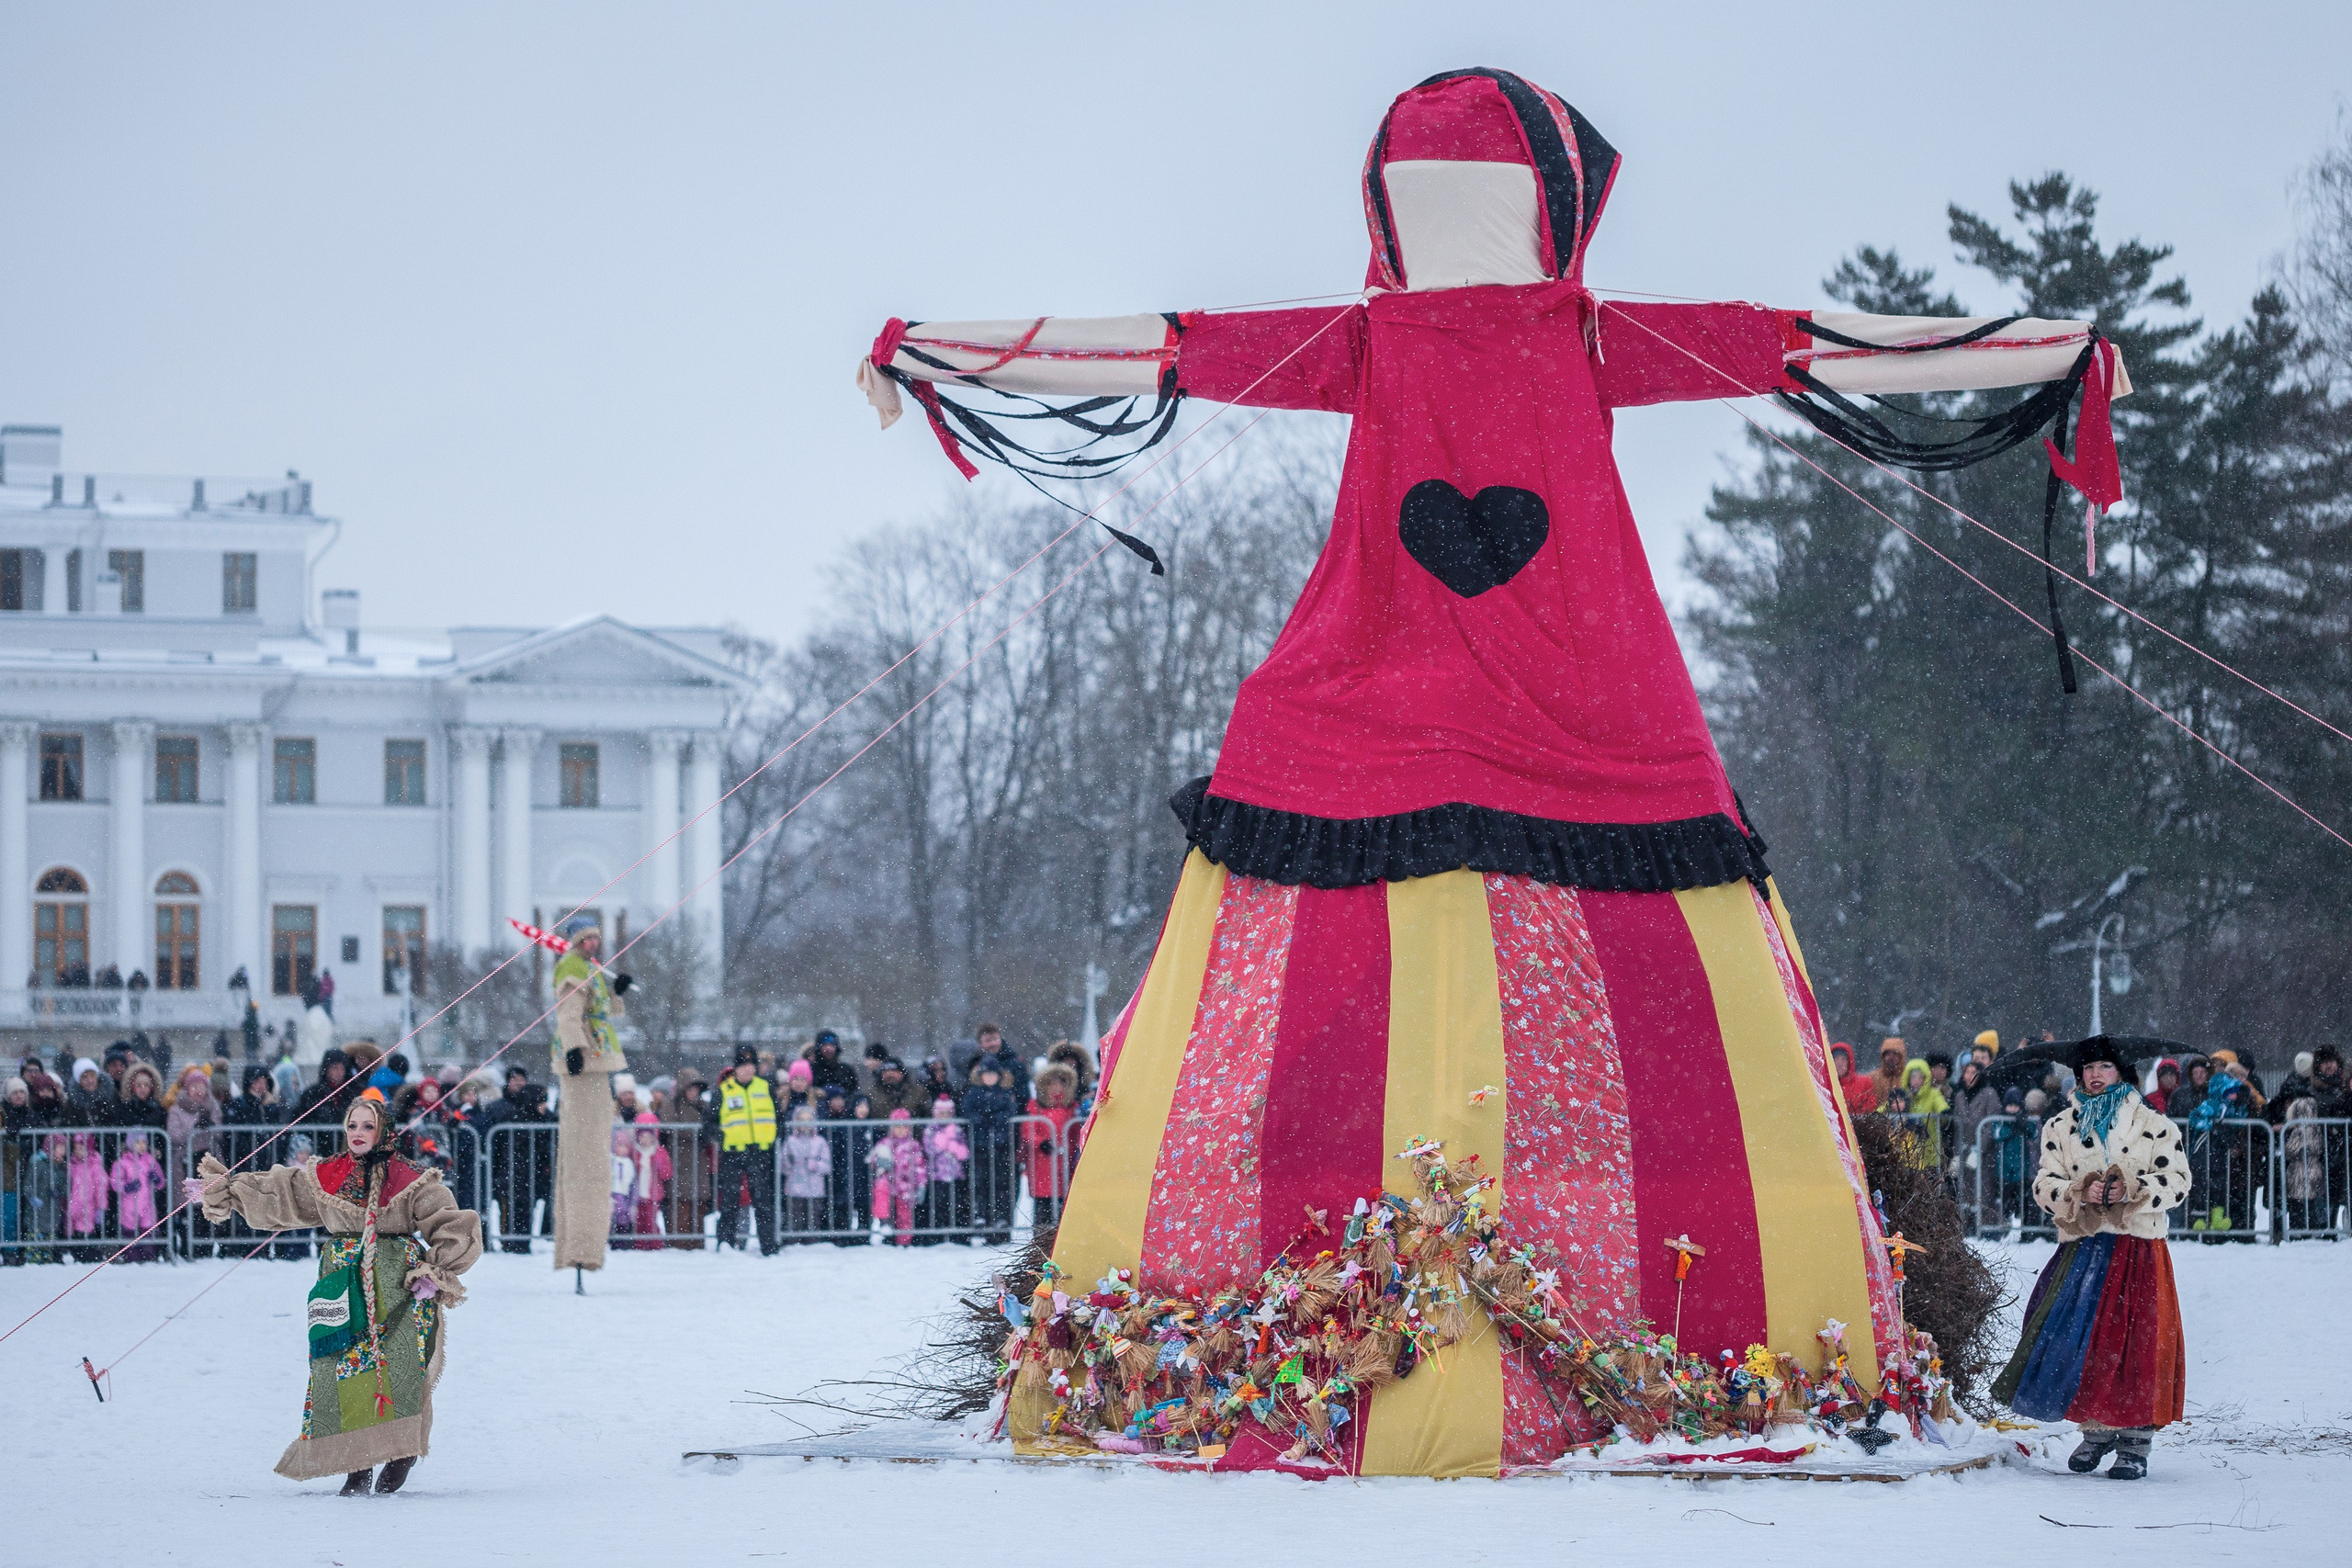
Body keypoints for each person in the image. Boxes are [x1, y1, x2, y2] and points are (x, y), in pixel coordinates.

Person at [185, 1095, 481, 1494]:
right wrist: (227, 1190)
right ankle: (355, 1464)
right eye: (352, 1126)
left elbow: (453, 1224)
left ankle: (400, 1451)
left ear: (384, 1131)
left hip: (396, 1285)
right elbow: (281, 1194)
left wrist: (435, 1271)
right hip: (341, 1283)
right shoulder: (327, 1174)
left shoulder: (412, 1179)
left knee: (398, 1368)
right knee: (342, 1368)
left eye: (367, 1126)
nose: (358, 1134)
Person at [1993, 1037, 2187, 1480]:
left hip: (2138, 1247)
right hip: (2084, 1247)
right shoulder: (2060, 1126)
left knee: (2137, 1344)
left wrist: (2134, 1190)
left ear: (2121, 1073)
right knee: (2079, 1343)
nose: (2095, 1075)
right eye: (2088, 1069)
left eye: (2104, 1066)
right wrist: (2077, 1192)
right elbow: (2044, 1185)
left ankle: (2135, 1441)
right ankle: (2096, 1430)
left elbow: (2177, 1180)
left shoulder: (2153, 1124)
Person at [549, 914, 631, 1277]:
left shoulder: (592, 968)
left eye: (596, 939)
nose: (592, 945)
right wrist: (574, 1048)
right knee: (584, 1154)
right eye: (586, 939)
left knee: (592, 1150)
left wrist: (619, 991)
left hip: (598, 1056)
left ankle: (587, 1246)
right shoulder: (572, 967)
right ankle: (579, 1245)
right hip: (586, 1058)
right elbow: (569, 1014)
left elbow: (603, 1009)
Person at [706, 1044, 779, 1255]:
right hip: (733, 1153)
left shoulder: (765, 1087)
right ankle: (726, 1243)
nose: (748, 1069)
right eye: (744, 1065)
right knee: (729, 1202)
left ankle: (768, 1245)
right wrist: (721, 1136)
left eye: (751, 1065)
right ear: (735, 1068)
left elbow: (778, 1117)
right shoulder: (724, 1090)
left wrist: (774, 1136)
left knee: (763, 1202)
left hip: (760, 1153)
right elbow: (710, 1121)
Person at [961, 1059, 1021, 1246]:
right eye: (986, 1075)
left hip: (1000, 1146)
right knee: (981, 1183)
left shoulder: (1004, 1094)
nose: (989, 1078)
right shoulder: (973, 1093)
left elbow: (1010, 1110)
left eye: (993, 1075)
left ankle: (1001, 1216)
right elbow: (966, 1109)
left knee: (1001, 1183)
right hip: (980, 1146)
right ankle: (982, 1215)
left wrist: (995, 1119)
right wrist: (979, 1119)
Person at [1023, 1062, 1081, 1232]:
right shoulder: (1036, 1107)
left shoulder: (1072, 1108)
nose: (1056, 1088)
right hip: (1043, 1165)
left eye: (1061, 1083)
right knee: (1043, 1208)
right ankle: (1041, 1241)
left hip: (1065, 1165)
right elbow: (1028, 1130)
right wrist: (1041, 1142)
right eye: (1052, 1083)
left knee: (1063, 1208)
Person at [867, 1109, 929, 1247]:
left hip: (906, 1185)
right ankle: (885, 1222)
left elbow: (920, 1167)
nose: (900, 1130)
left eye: (903, 1127)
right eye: (897, 1126)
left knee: (904, 1214)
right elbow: (873, 1158)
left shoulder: (914, 1145)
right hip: (888, 1181)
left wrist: (921, 1185)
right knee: (881, 1192)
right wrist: (879, 1162)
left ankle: (904, 1241)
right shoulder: (884, 1143)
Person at [109, 1132, 166, 1261]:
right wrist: (126, 1186)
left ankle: (148, 1257)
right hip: (129, 1205)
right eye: (137, 1142)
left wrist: (157, 1179)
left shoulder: (151, 1161)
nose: (141, 1145)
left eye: (144, 1142)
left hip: (147, 1204)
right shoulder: (122, 1162)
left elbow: (161, 1181)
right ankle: (131, 1257)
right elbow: (114, 1182)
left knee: (148, 1231)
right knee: (129, 1232)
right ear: (130, 1144)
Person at [920, 1094, 969, 1244]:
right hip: (937, 1174)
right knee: (938, 1205)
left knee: (956, 1204)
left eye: (948, 1114)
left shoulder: (957, 1130)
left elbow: (964, 1152)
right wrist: (946, 1143)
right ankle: (938, 1234)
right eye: (941, 1113)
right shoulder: (930, 1129)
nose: (944, 1116)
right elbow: (930, 1149)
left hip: (955, 1174)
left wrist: (950, 1145)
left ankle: (958, 1234)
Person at [781, 1104, 832, 1243]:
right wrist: (788, 1163)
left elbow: (827, 1165)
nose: (805, 1123)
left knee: (813, 1217)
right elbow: (783, 1165)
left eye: (808, 1119)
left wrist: (816, 1165)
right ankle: (794, 1240)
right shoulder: (790, 1141)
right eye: (801, 1119)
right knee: (795, 1217)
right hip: (794, 1187)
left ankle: (812, 1241)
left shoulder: (820, 1142)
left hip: (815, 1188)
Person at [622, 1111, 673, 1248]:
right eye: (642, 1136)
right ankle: (640, 1243)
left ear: (654, 1136)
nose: (645, 1140)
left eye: (649, 1136)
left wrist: (659, 1165)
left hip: (653, 1193)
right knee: (639, 1219)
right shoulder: (634, 1151)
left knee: (651, 1219)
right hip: (637, 1192)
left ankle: (654, 1242)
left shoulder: (659, 1152)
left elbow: (667, 1174)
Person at [166, 1064, 224, 1163]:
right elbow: (174, 1136)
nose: (198, 1091)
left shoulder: (213, 1107)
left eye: (201, 1087)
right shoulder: (176, 1110)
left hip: (211, 1158)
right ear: (187, 1089)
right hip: (185, 1158)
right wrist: (194, 1128)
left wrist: (212, 1126)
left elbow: (221, 1133)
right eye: (194, 1087)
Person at [1829, 1043, 1877, 1114]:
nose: (1840, 1063)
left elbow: (1869, 1108)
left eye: (1843, 1059)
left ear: (1849, 1062)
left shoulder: (1864, 1083)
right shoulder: (1824, 1085)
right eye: (1836, 1059)